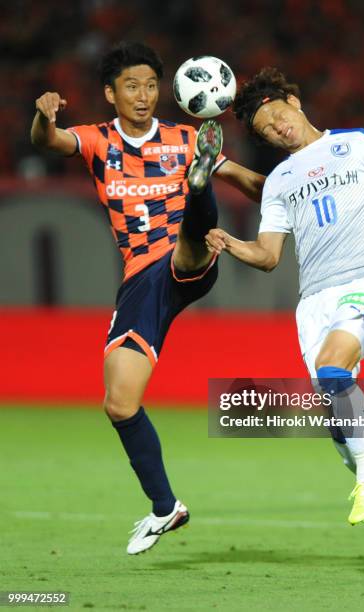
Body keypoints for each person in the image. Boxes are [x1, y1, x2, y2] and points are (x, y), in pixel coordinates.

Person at [31, 41, 265, 555]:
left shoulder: (185, 137)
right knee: (119, 402)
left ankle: (198, 190)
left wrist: (284, 185)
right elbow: (50, 142)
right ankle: (166, 508)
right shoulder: (96, 140)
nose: (143, 95)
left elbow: (249, 182)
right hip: (140, 281)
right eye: (132, 86)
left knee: (188, 241)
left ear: (165, 91)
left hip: (188, 261)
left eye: (152, 86)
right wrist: (42, 118)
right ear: (110, 93)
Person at [206, 67, 364, 554]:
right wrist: (231, 244)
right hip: (312, 301)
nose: (276, 128)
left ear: (292, 101)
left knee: (333, 368)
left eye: (275, 114)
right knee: (338, 422)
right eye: (265, 130)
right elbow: (269, 256)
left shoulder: (357, 142)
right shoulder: (278, 182)